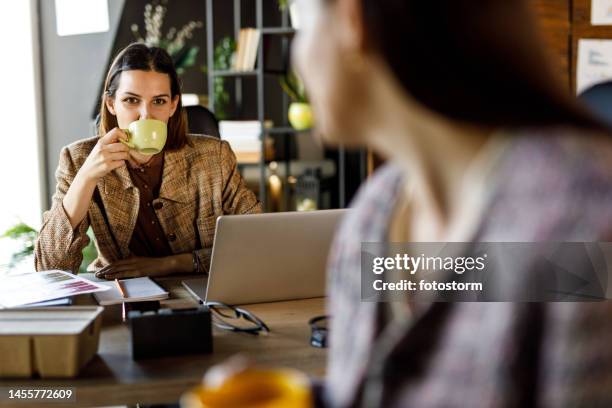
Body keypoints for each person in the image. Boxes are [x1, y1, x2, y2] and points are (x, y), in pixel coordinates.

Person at [291, 0, 612, 406]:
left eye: (302, 25)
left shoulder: (581, 221)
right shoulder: (373, 214)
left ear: (351, 20)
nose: (297, 62)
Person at [35, 43, 261, 279]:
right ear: (111, 104)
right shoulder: (79, 159)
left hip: (203, 291)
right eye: (132, 101)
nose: (146, 115)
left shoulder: (214, 157)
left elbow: (257, 240)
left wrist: (172, 264)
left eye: (159, 101)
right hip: (122, 294)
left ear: (173, 105)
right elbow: (50, 269)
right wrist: (85, 178)